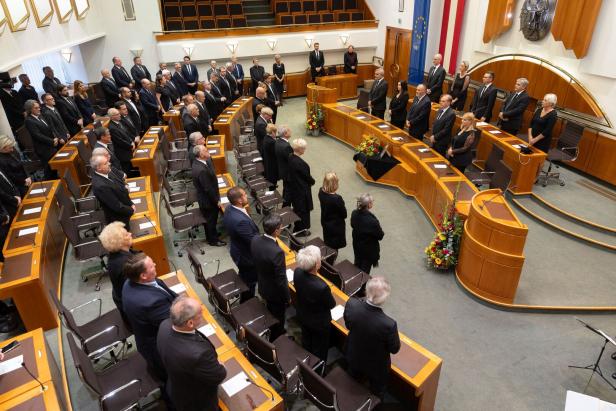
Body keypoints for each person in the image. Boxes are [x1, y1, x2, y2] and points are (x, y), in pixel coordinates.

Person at [157, 296, 227, 411]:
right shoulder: (199, 354)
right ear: (190, 323)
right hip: (198, 401)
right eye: (200, 313)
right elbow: (219, 375)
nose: (203, 312)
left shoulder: (164, 325)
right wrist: (220, 364)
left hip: (177, 387)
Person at [122, 252, 177, 380]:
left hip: (146, 335)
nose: (155, 264)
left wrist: (179, 300)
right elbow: (174, 322)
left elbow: (162, 287)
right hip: (159, 346)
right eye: (151, 266)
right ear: (143, 275)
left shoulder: (131, 282)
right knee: (170, 378)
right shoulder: (151, 302)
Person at [344, 276, 400, 398]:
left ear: (367, 291)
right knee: (377, 391)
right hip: (376, 367)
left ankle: (349, 398)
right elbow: (394, 349)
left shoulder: (352, 304)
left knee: (352, 380)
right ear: (384, 298)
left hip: (353, 354)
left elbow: (348, 325)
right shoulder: (389, 324)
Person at [294, 245, 336, 362]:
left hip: (303, 315)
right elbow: (332, 304)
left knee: (307, 340)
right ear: (317, 264)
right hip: (319, 324)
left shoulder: (297, 272)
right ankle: (317, 370)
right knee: (320, 350)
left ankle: (306, 359)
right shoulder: (322, 286)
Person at [250, 213, 289, 340]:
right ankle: (278, 338)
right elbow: (281, 280)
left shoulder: (255, 239)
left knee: (270, 310)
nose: (282, 228)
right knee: (278, 316)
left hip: (263, 284)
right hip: (275, 293)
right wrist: (287, 297)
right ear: (276, 230)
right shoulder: (277, 252)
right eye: (281, 227)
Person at [222, 187, 260, 302]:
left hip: (238, 249)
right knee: (250, 282)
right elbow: (253, 241)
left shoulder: (229, 208)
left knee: (245, 276)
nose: (246, 196)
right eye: (244, 195)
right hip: (246, 256)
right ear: (239, 200)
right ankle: (248, 303)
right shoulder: (240, 221)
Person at [98, 221, 135, 318]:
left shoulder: (117, 255)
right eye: (127, 234)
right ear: (119, 242)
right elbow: (137, 291)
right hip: (133, 310)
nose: (130, 234)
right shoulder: (125, 265)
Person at [192, 145, 226, 247]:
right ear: (201, 154)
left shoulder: (198, 163)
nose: (208, 151)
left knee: (209, 220)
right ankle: (213, 240)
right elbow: (208, 189)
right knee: (211, 220)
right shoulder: (201, 170)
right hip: (208, 201)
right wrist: (217, 201)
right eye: (205, 150)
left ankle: (211, 235)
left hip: (205, 199)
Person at [90, 154, 135, 227]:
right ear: (99, 168)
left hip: (126, 207)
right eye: (106, 163)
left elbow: (122, 188)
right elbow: (116, 206)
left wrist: (131, 203)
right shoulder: (100, 186)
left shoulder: (107, 172)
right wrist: (131, 210)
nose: (109, 164)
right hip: (119, 220)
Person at [23, 99, 59, 180]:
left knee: (54, 168)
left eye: (39, 107)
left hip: (51, 145)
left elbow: (49, 128)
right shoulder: (29, 120)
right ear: (30, 109)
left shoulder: (40, 116)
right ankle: (50, 185)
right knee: (48, 169)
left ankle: (56, 182)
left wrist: (55, 137)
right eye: (36, 108)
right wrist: (52, 141)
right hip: (43, 149)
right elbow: (37, 135)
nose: (39, 109)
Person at [351, 193, 384, 274]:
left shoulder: (354, 213)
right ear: (369, 205)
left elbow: (352, 225)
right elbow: (380, 235)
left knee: (357, 263)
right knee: (365, 271)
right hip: (368, 250)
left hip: (357, 245)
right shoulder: (372, 221)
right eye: (372, 202)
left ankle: (355, 280)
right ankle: (361, 285)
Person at [287, 138, 315, 235]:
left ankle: (298, 227)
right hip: (301, 190)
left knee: (297, 208)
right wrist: (313, 181)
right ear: (300, 149)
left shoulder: (290, 156)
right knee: (303, 210)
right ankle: (301, 231)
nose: (305, 150)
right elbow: (307, 178)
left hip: (294, 188)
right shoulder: (302, 164)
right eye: (304, 148)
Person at [318, 172, 347, 250]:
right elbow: (344, 214)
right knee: (334, 247)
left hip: (325, 221)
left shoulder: (321, 191)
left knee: (328, 240)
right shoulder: (336, 199)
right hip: (335, 226)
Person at [107, 107, 136, 175]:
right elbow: (120, 141)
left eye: (119, 114)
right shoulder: (112, 128)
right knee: (127, 170)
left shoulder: (119, 122)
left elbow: (127, 133)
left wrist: (131, 141)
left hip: (128, 148)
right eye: (117, 114)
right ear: (112, 117)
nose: (120, 115)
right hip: (123, 153)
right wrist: (131, 146)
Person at [275, 125, 293, 206]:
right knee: (289, 191)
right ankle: (286, 208)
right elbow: (291, 161)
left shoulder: (278, 141)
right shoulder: (286, 146)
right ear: (285, 134)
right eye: (289, 131)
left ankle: (285, 206)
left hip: (282, 170)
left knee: (286, 189)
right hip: (288, 173)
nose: (291, 132)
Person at [263, 123, 279, 188]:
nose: (276, 134)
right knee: (272, 180)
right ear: (272, 132)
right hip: (272, 163)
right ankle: (272, 191)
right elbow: (276, 153)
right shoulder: (272, 142)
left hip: (268, 160)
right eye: (275, 132)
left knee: (271, 178)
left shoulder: (266, 137)